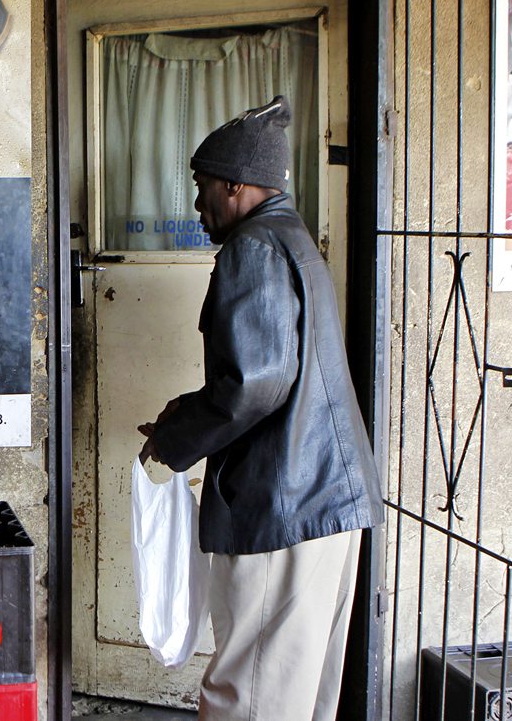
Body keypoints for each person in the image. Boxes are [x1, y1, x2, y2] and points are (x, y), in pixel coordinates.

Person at [137, 96, 384, 721]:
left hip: (285, 507)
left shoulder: (253, 249)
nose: (198, 204)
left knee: (250, 696)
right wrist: (185, 415)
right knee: (300, 696)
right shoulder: (292, 239)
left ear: (234, 184)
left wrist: (173, 439)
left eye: (202, 187)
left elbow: (256, 383)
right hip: (330, 501)